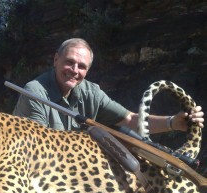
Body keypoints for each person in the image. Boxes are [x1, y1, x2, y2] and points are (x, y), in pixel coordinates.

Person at [13, 38, 204, 132]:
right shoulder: (34, 91)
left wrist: (172, 122)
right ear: (56, 59)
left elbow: (129, 119)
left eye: (82, 66)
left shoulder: (91, 92)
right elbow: (37, 147)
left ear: (87, 70)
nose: (74, 70)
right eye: (69, 62)